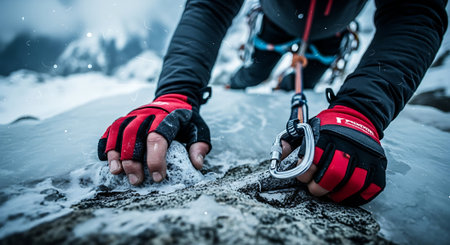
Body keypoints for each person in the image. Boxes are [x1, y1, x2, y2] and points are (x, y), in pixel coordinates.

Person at [97, 0, 448, 206]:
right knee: (250, 76)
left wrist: (360, 112)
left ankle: (278, 88)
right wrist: (177, 93)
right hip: (282, 31)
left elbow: (415, 9)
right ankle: (237, 86)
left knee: (300, 82)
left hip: (326, 40)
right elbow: (210, 5)